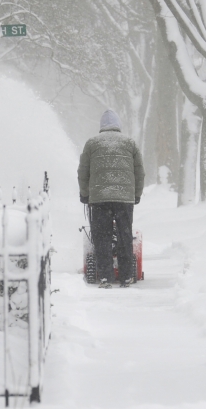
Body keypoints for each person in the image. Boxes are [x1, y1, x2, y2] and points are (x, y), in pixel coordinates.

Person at [77, 109, 145, 288]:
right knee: (124, 235)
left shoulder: (92, 143)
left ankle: (106, 277)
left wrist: (85, 194)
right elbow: (139, 172)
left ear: (101, 127)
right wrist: (136, 194)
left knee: (102, 237)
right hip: (124, 199)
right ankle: (125, 277)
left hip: (99, 199)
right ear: (118, 126)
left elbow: (83, 172)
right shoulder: (130, 143)